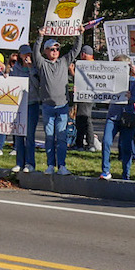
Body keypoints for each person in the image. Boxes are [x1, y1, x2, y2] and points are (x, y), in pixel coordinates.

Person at [29, 38, 84, 174]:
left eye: (57, 49)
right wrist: (40, 37)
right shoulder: (42, 64)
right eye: (52, 49)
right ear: (46, 51)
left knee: (61, 137)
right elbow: (35, 52)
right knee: (49, 137)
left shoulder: (64, 62)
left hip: (63, 107)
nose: (55, 51)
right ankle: (50, 165)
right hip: (48, 107)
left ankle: (62, 165)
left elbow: (75, 50)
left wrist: (79, 34)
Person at [100, 54, 135, 180]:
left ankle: (126, 174)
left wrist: (129, 97)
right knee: (106, 142)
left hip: (127, 117)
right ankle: (105, 170)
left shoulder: (133, 82)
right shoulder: (110, 79)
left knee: (126, 147)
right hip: (113, 116)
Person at [70, 46, 100, 152]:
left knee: (84, 118)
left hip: (86, 95)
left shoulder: (87, 66)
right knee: (83, 119)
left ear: (83, 54)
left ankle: (86, 144)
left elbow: (82, 81)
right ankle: (84, 143)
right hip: (89, 95)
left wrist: (72, 72)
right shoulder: (96, 65)